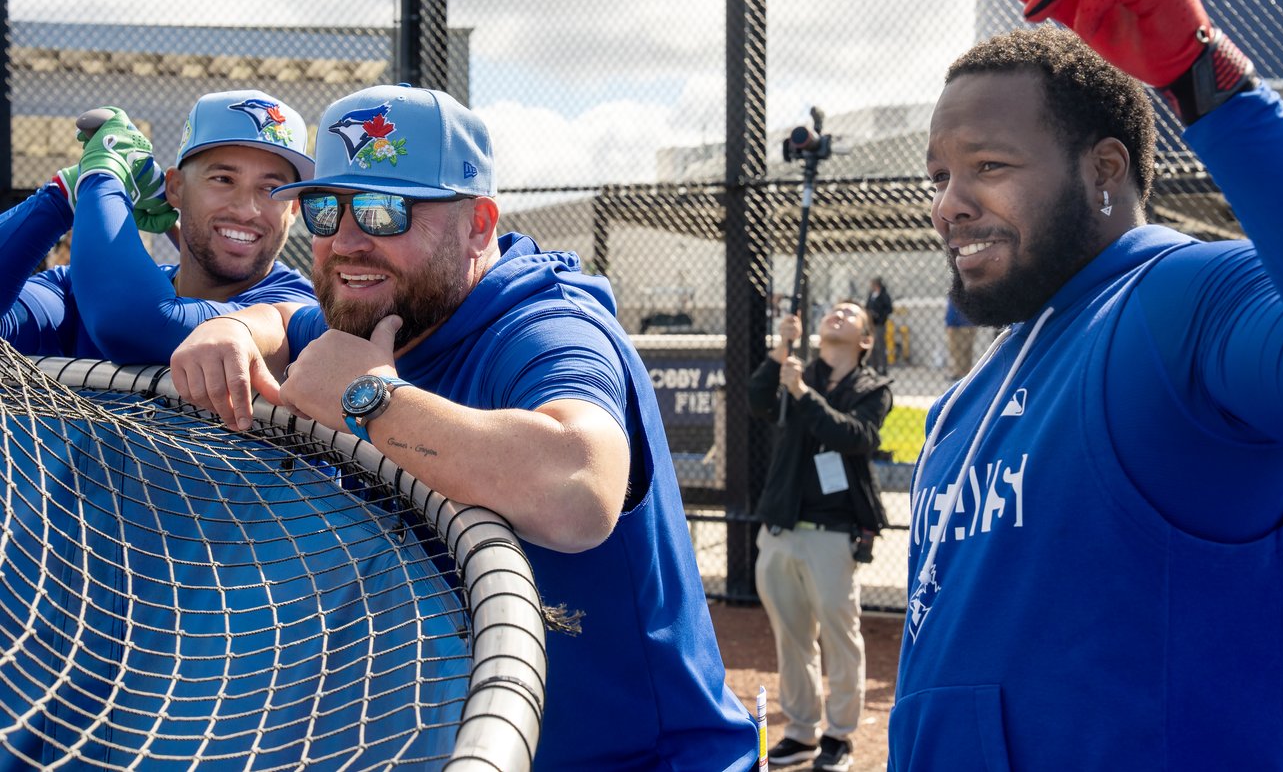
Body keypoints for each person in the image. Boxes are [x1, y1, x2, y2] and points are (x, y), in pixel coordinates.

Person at [889, 0, 1283, 771]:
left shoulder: (1180, 300)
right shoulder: (964, 405)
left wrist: (1202, 76)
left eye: (989, 166)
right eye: (939, 176)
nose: (950, 203)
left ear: (1104, 169)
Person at [167, 83, 760, 771]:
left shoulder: (543, 325)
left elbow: (579, 487)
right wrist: (237, 328)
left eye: (388, 211)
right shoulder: (380, 310)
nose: (348, 241)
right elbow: (289, 322)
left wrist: (369, 400)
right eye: (327, 210)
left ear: (478, 224)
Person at [0, 90, 317, 362]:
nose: (247, 210)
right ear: (176, 189)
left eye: (270, 188)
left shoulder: (295, 308)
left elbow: (135, 323)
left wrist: (101, 180)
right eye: (223, 179)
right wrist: (61, 196)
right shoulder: (75, 291)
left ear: (293, 208)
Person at [748, 302, 890, 772]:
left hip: (833, 534)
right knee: (792, 639)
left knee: (840, 636)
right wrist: (778, 353)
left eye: (851, 314)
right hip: (782, 527)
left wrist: (804, 394)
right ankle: (803, 732)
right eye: (833, 310)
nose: (837, 314)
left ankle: (839, 735)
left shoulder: (873, 389)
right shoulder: (793, 371)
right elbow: (757, 401)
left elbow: (855, 436)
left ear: (865, 340)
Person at [863, 277, 893, 373]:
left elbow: (889, 309)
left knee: (880, 346)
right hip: (872, 324)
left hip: (880, 324)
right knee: (872, 346)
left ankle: (883, 368)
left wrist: (879, 315)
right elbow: (867, 306)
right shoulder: (871, 295)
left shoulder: (884, 295)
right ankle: (874, 367)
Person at [942, 296, 975, 379]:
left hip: (957, 325)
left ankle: (959, 372)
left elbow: (952, 310)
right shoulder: (969, 287)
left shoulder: (956, 292)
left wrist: (950, 324)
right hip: (969, 323)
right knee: (966, 349)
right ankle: (966, 371)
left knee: (956, 349)